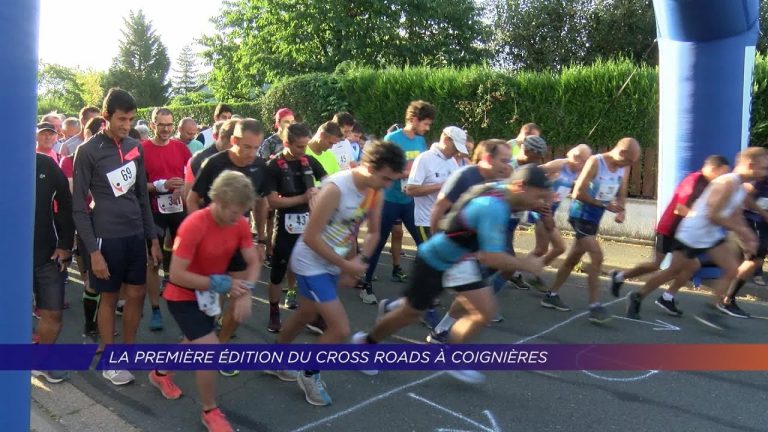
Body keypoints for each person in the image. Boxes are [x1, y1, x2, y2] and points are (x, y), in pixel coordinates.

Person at [353, 165, 551, 383]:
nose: (541, 202)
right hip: (435, 259)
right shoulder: (494, 207)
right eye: (539, 196)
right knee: (411, 313)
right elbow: (490, 258)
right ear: (520, 186)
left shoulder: (502, 191)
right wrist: (525, 263)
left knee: (484, 311)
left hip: (461, 260)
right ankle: (365, 344)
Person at [269, 140, 404, 406]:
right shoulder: (336, 188)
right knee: (340, 328)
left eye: (393, 180)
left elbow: (375, 232)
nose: (389, 185)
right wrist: (348, 266)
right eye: (386, 178)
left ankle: (276, 358)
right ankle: (309, 372)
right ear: (368, 166)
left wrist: (361, 259)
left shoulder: (376, 190)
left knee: (305, 314)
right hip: (310, 262)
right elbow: (309, 237)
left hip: (334, 262)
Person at [152, 171, 260, 432]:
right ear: (219, 201)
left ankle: (160, 372)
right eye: (235, 212)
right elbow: (177, 274)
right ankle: (210, 411)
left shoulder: (240, 223)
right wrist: (221, 283)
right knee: (209, 349)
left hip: (209, 295)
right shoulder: (193, 225)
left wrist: (246, 291)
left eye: (242, 213)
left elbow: (253, 261)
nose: (239, 219)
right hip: (181, 295)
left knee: (193, 342)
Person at [72, 88, 162, 385]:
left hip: (136, 234)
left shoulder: (136, 146)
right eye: (121, 119)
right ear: (105, 116)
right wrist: (93, 252)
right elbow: (78, 207)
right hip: (105, 238)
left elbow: (140, 196)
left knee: (136, 294)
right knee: (109, 297)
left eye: (131, 119)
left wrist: (153, 239)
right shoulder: (87, 150)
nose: (126, 125)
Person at [626, 148, 768, 329]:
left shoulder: (739, 186)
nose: (765, 173)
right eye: (764, 168)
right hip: (692, 234)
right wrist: (740, 230)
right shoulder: (727, 182)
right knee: (672, 271)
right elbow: (713, 215)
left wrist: (747, 234)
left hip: (710, 235)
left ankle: (711, 311)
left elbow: (735, 213)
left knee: (732, 269)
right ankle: (637, 296)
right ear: (751, 165)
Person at [188, 119, 268, 371]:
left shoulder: (259, 166)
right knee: (210, 303)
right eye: (246, 147)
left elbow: (260, 203)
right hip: (210, 240)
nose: (252, 154)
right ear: (233, 141)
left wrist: (262, 238)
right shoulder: (215, 163)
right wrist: (197, 236)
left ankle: (219, 348)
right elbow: (192, 198)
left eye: (256, 148)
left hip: (240, 239)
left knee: (239, 296)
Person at [610, 155, 731, 315]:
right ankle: (625, 282)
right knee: (659, 266)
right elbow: (679, 208)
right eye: (723, 173)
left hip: (686, 233)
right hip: (670, 229)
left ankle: (666, 297)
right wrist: (702, 218)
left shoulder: (711, 184)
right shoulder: (695, 180)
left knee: (692, 266)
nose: (723, 178)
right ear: (715, 169)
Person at [541, 138, 640, 323]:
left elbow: (621, 189)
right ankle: (595, 306)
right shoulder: (596, 162)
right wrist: (603, 204)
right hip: (580, 215)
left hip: (595, 217)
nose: (630, 165)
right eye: (629, 161)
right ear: (621, 153)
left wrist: (622, 209)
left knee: (572, 259)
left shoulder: (623, 166)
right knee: (597, 256)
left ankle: (550, 295)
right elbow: (578, 192)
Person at [425, 139, 513, 343]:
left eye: (509, 160)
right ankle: (394, 309)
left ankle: (441, 331)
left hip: (472, 248)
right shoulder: (465, 176)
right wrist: (437, 240)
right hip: (450, 243)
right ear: (488, 158)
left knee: (470, 290)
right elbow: (439, 208)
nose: (508, 165)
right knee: (422, 297)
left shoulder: (497, 181)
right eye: (504, 160)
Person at [360, 101, 435, 303]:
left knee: (425, 245)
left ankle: (424, 289)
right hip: (389, 200)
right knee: (377, 243)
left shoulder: (421, 141)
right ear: (413, 119)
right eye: (425, 124)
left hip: (410, 201)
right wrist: (407, 172)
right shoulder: (392, 139)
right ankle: (366, 285)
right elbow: (381, 170)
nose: (427, 128)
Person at [263, 123, 326, 330]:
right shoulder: (274, 167)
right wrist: (303, 197)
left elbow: (328, 182)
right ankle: (273, 311)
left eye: (306, 146)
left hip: (309, 225)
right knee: (278, 272)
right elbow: (273, 202)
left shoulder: (309, 160)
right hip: (286, 226)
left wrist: (323, 193)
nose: (303, 151)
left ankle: (312, 314)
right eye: (299, 147)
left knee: (312, 270)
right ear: (286, 143)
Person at [142, 107, 192, 331]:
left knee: (188, 256)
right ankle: (155, 310)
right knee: (153, 261)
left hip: (180, 208)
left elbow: (192, 178)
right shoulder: (142, 149)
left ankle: (187, 305)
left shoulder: (181, 148)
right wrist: (161, 185)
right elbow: (135, 187)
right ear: (153, 125)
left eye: (169, 125)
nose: (165, 129)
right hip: (154, 210)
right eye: (161, 125)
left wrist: (185, 188)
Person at [59, 116, 106, 341]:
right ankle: (91, 325)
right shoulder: (68, 160)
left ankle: (102, 319)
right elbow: (74, 194)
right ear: (86, 136)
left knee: (110, 278)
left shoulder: (111, 160)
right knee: (92, 279)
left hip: (109, 224)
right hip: (86, 222)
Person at [31, 152, 75, 384]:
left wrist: (65, 245)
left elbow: (67, 203)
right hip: (9, 260)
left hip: (47, 255)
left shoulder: (45, 163)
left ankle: (41, 363)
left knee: (53, 312)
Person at [526, 144, 592, 289]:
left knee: (549, 249)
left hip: (550, 211)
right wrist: (542, 189)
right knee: (552, 248)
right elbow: (531, 172)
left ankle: (527, 272)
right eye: (582, 160)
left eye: (586, 161)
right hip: (541, 210)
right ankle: (518, 271)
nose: (583, 164)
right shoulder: (560, 164)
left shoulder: (578, 172)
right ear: (575, 157)